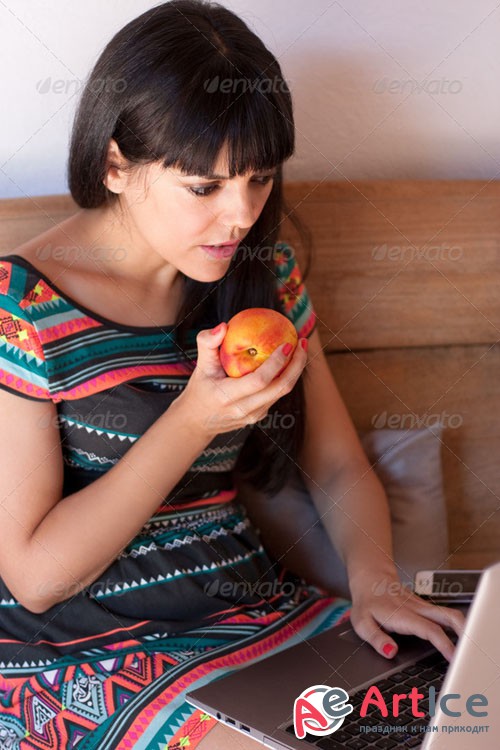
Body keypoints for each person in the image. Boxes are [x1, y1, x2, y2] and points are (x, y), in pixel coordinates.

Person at [0, 1, 464, 748]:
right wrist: (193, 420)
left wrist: (377, 583)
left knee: (462, 710)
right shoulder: (20, 307)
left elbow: (339, 466)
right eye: (204, 187)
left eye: (259, 178)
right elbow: (35, 576)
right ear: (116, 163)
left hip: (255, 623)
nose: (241, 215)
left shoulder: (263, 274)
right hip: (83, 663)